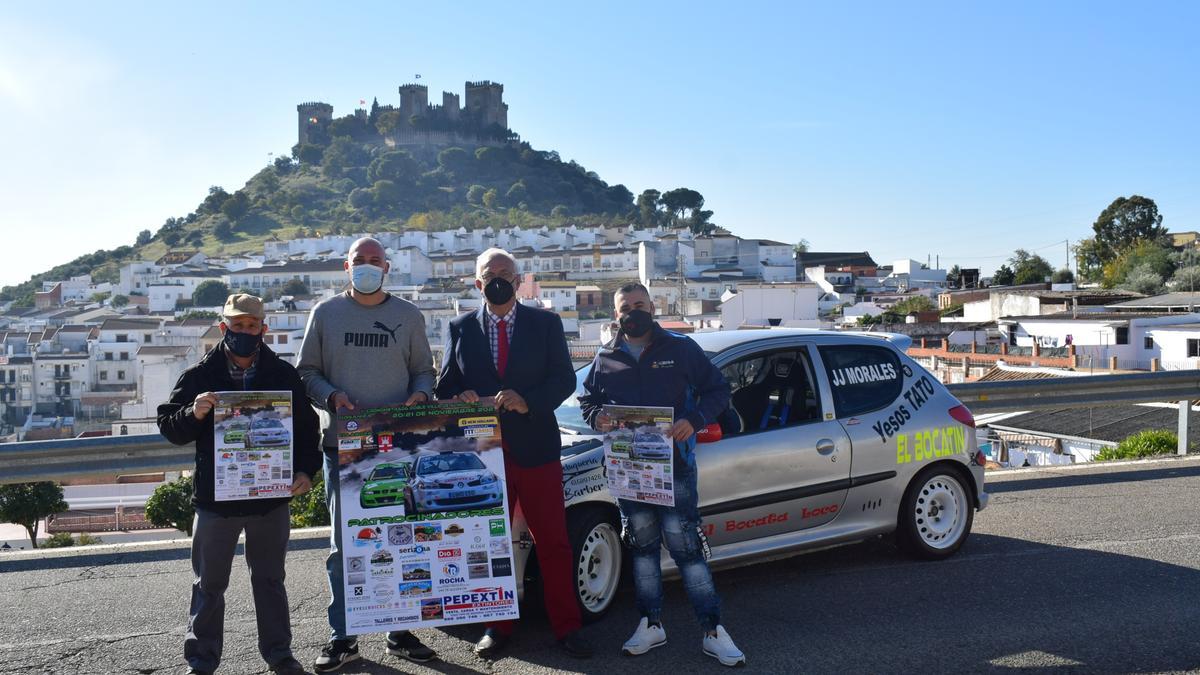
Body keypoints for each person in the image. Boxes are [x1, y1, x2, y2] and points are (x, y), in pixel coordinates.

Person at [435, 248, 593, 659]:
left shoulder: (545, 323)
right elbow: (444, 386)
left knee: (554, 542)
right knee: (489, 543)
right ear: (477, 282)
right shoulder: (459, 327)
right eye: (491, 274)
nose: (499, 279)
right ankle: (497, 625)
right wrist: (461, 395)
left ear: (520, 280)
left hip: (537, 450)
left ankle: (567, 626)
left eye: (507, 273)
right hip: (484, 455)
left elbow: (563, 379)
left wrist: (529, 401)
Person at [578, 282, 746, 667]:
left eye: (639, 304)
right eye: (625, 307)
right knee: (642, 552)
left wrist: (694, 419)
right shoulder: (606, 356)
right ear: (615, 313)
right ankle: (651, 624)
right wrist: (595, 416)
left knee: (687, 550)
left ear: (652, 307)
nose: (633, 311)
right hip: (630, 473)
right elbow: (587, 399)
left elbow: (718, 390)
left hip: (675, 469)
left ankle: (713, 630)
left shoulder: (681, 349)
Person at [157, 293, 320, 675]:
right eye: (237, 325)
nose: (243, 331)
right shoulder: (198, 375)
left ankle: (280, 655)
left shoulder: (282, 374)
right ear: (223, 326)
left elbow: (306, 429)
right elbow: (170, 428)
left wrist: (305, 472)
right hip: (217, 501)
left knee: (270, 580)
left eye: (251, 326)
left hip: (270, 499)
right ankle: (201, 660)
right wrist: (192, 412)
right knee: (209, 584)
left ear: (263, 329)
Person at [297, 237, 437, 672]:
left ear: (387, 268)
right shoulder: (325, 313)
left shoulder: (408, 315)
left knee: (400, 540)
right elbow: (306, 372)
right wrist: (332, 395)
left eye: (375, 261)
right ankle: (343, 637)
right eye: (361, 260)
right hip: (343, 447)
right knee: (345, 547)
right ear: (346, 266)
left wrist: (420, 395)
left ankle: (399, 629)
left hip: (397, 446)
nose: (368, 266)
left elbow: (424, 371)